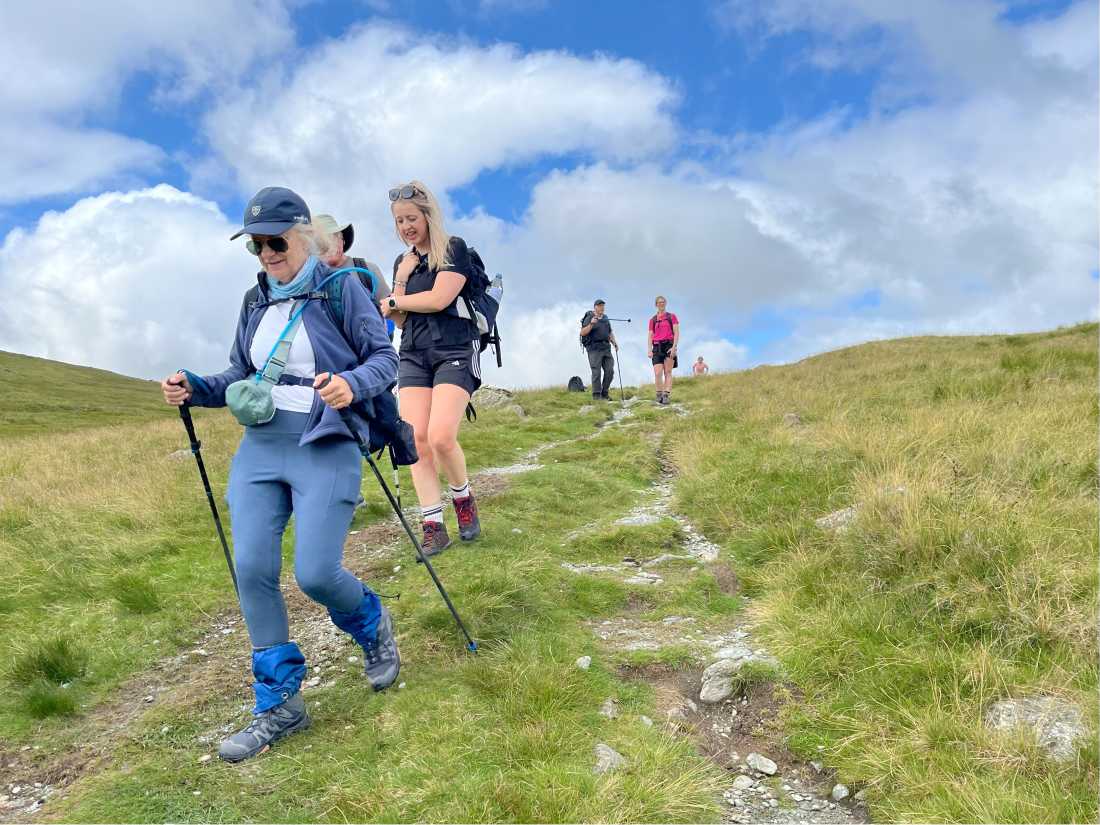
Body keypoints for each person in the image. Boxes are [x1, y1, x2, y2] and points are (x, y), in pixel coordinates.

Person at [160, 186, 401, 763]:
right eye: (256, 246)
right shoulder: (254, 300)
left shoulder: (341, 288)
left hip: (326, 440)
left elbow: (384, 359)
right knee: (252, 570)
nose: (267, 254)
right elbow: (239, 374)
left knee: (316, 573)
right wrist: (195, 385)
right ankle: (280, 706)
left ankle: (372, 625)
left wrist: (351, 384)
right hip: (261, 448)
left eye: (275, 242)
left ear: (304, 237)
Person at [378, 181, 482, 555]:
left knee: (440, 436)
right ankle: (433, 524)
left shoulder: (453, 248)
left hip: (453, 349)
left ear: (427, 215)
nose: (406, 227)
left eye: (411, 218)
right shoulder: (401, 261)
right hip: (413, 354)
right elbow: (401, 318)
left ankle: (464, 498)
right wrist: (402, 278)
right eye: (399, 221)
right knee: (416, 440)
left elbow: (440, 299)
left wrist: (393, 298)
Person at [314, 213, 395, 341]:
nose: (329, 245)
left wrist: (382, 337)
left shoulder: (367, 270)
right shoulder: (311, 280)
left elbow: (391, 311)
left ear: (342, 241)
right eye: (322, 241)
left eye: (333, 238)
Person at [580, 299, 618, 401]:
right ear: (595, 307)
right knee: (596, 372)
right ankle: (596, 396)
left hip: (606, 348)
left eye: (603, 306)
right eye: (600, 306)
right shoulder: (589, 317)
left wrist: (614, 343)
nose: (602, 308)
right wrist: (591, 324)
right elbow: (582, 332)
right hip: (594, 349)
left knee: (610, 371)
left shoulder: (605, 318)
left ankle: (604, 393)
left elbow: (609, 332)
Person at [647, 295, 679, 405]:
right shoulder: (653, 320)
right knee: (657, 372)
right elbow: (650, 335)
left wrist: (674, 347)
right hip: (656, 346)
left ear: (665, 303)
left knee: (668, 371)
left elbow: (676, 333)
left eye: (663, 302)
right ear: (656, 304)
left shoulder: (672, 317)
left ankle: (666, 395)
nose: (661, 303)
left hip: (669, 345)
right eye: (659, 302)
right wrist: (649, 349)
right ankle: (658, 394)